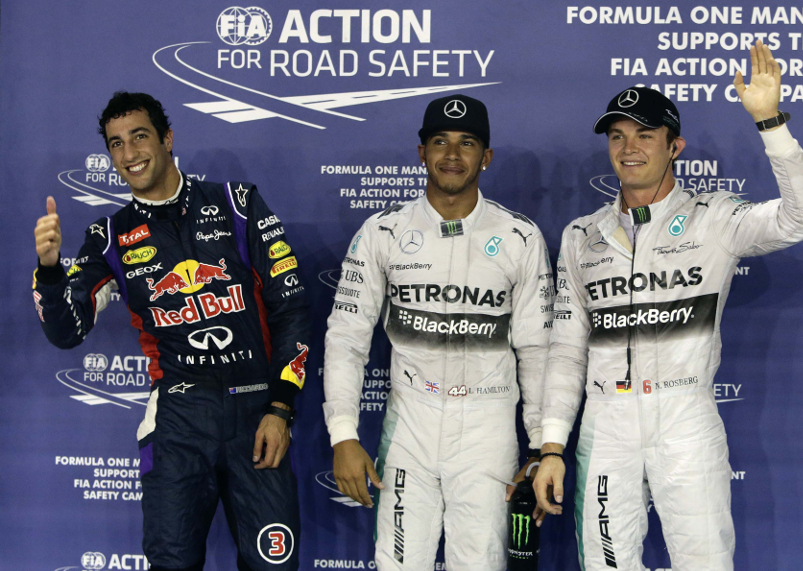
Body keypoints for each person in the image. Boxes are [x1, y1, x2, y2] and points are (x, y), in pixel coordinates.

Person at [533, 41, 803, 570]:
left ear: (676, 146)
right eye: (618, 136)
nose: (629, 147)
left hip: (684, 418)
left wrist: (770, 123)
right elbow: (566, 350)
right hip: (606, 424)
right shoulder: (581, 236)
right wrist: (551, 446)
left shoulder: (713, 217)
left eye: (646, 134)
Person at [32, 92, 308, 571]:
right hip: (177, 417)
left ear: (167, 138)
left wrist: (281, 408)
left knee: (273, 566)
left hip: (257, 412)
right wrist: (52, 272)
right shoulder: (110, 236)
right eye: (116, 144)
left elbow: (291, 310)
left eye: (139, 137)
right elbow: (68, 331)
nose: (130, 154)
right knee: (171, 564)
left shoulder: (238, 204)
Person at [323, 94, 552, 570]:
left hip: (487, 427)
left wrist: (536, 446)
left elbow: (536, 349)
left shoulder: (519, 237)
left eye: (467, 143)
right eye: (440, 142)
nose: (452, 155)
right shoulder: (382, 232)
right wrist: (343, 435)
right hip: (410, 423)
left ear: (485, 158)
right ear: (421, 152)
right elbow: (346, 337)